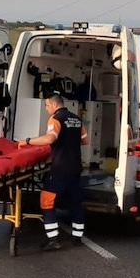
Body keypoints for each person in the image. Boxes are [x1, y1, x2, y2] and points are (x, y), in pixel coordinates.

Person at [19, 94, 88, 250]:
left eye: (46, 106)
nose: (46, 108)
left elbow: (50, 139)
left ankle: (53, 239)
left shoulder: (55, 119)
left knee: (46, 200)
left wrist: (27, 141)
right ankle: (77, 237)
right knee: (76, 202)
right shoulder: (76, 119)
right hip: (75, 167)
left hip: (60, 168)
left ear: (53, 105)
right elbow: (85, 140)